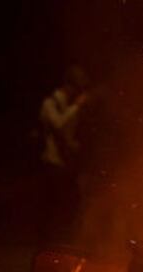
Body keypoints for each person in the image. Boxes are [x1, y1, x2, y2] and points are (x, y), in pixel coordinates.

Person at [38, 65, 90, 244]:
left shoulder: (67, 105)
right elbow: (59, 125)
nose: (78, 93)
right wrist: (76, 107)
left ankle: (63, 243)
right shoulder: (50, 104)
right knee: (54, 208)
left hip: (66, 163)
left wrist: (74, 144)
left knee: (71, 207)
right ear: (69, 85)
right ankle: (48, 244)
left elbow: (67, 133)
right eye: (77, 88)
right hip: (53, 163)